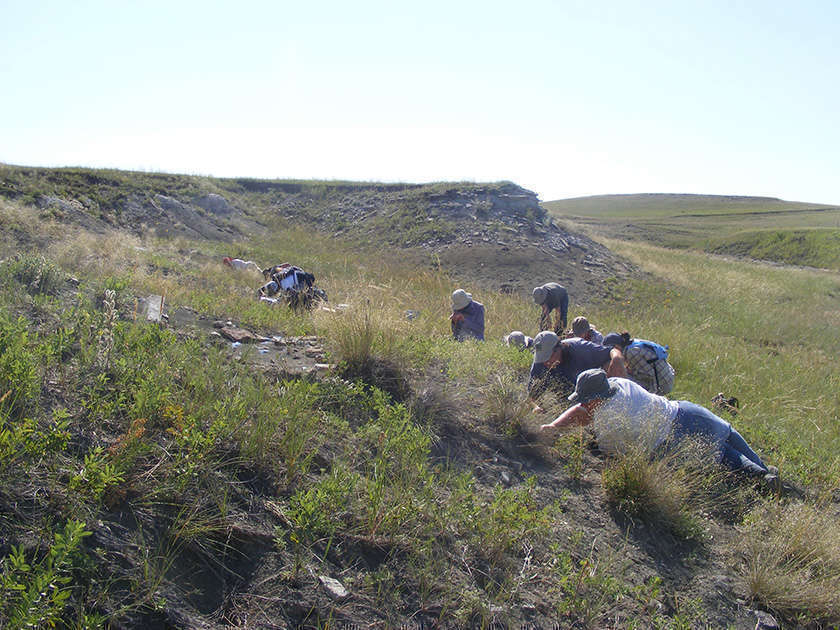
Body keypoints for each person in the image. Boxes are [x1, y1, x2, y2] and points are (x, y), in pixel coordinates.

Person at [540, 369, 779, 484]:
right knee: (727, 433)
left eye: (586, 399)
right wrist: (554, 425)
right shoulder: (620, 384)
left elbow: (610, 453)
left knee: (724, 456)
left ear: (596, 399)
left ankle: (762, 478)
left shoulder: (610, 421)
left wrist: (560, 430)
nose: (583, 402)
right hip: (685, 410)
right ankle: (767, 470)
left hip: (674, 436)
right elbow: (584, 408)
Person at [527, 331, 626, 413]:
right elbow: (531, 397)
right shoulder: (539, 364)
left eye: (548, 357)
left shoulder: (581, 348)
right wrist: (535, 407)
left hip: (592, 396)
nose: (546, 362)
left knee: (611, 362)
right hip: (568, 401)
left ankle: (616, 404)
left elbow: (611, 351)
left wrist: (617, 358)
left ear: (559, 348)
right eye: (543, 359)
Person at [602, 332, 676, 395]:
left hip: (662, 385)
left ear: (616, 346)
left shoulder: (631, 353)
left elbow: (649, 375)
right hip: (668, 377)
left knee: (620, 377)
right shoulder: (634, 343)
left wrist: (629, 372)